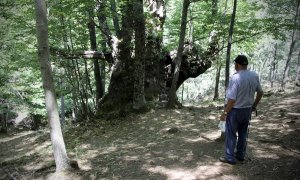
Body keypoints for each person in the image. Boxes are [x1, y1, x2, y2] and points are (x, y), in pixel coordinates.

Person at [219, 55, 264, 165]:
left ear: (237, 64)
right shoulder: (254, 75)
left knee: (231, 134)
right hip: (247, 109)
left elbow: (232, 99)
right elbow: (260, 92)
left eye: (235, 64)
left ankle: (230, 158)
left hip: (235, 110)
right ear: (246, 64)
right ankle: (240, 155)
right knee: (243, 133)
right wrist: (254, 105)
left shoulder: (235, 78)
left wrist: (225, 112)